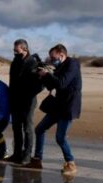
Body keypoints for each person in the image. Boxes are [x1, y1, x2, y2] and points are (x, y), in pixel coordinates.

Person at [25, 44, 82, 175]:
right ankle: (37, 160)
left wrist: (48, 74)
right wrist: (43, 75)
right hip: (58, 105)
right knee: (39, 129)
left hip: (69, 106)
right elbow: (53, 85)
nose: (51, 60)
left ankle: (71, 163)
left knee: (60, 138)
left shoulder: (72, 64)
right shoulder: (59, 66)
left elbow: (62, 83)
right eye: (50, 58)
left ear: (61, 54)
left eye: (53, 57)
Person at [7, 39, 42, 164]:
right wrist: (10, 99)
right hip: (15, 101)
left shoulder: (33, 63)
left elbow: (40, 85)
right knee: (16, 128)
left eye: (17, 50)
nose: (15, 52)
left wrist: (29, 93)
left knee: (27, 128)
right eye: (14, 50)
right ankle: (17, 154)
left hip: (28, 101)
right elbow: (11, 82)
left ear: (25, 49)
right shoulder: (14, 62)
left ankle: (27, 155)